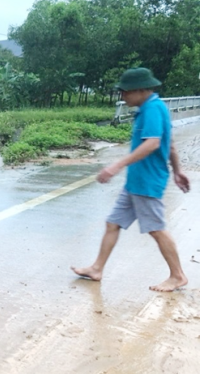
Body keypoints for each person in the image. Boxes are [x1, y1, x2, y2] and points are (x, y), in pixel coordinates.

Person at [72, 68, 190, 292]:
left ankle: (177, 275)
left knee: (156, 228)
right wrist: (177, 171)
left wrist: (117, 165)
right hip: (136, 181)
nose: (123, 97)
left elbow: (153, 143)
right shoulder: (150, 108)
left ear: (140, 90)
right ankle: (97, 268)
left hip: (147, 181)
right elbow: (170, 144)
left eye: (125, 92)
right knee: (113, 223)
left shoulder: (153, 109)